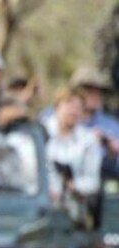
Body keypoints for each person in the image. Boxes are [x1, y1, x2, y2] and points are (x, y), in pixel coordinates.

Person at [42, 88, 102, 219]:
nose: (73, 110)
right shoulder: (41, 132)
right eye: (69, 104)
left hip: (72, 207)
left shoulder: (88, 139)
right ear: (57, 107)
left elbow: (93, 182)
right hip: (41, 203)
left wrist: (72, 185)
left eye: (78, 107)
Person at [69, 66, 119, 180]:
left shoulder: (111, 126)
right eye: (89, 91)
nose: (95, 96)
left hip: (103, 182)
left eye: (99, 92)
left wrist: (112, 151)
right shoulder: (58, 117)